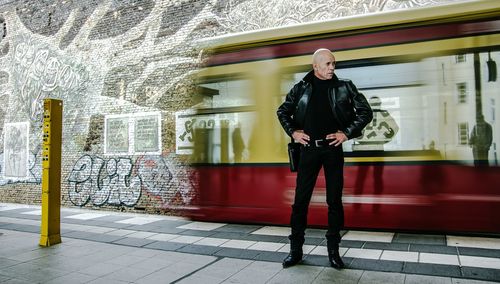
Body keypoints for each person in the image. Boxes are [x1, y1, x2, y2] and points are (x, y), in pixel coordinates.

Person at [277, 48, 373, 269]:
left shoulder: (344, 86)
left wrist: (346, 133)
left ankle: (334, 252)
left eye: (333, 64)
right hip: (308, 151)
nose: (332, 68)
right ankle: (296, 251)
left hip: (332, 150)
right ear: (316, 66)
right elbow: (282, 111)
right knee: (300, 202)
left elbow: (365, 112)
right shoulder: (300, 88)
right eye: (328, 64)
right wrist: (294, 132)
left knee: (334, 202)